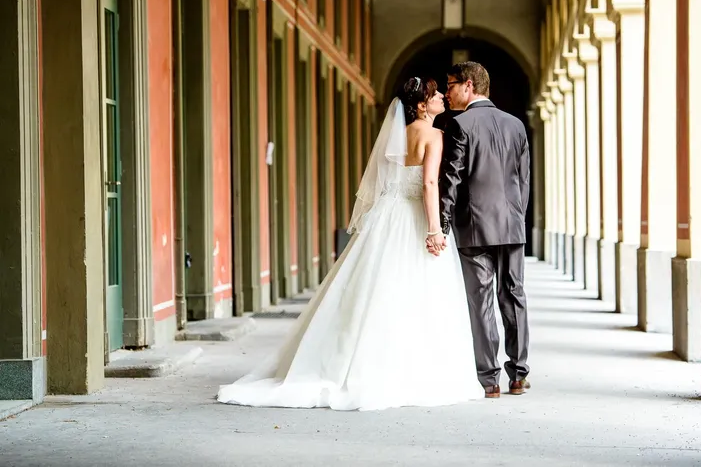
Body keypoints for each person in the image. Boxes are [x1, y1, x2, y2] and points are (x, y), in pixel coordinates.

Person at [217, 77, 484, 411]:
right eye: (435, 95)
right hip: (415, 217)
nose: (443, 96)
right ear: (420, 105)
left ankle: (351, 361)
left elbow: (388, 182)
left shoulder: (397, 137)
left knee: (375, 288)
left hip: (387, 217)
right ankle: (409, 369)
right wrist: (434, 229)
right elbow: (430, 183)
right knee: (418, 291)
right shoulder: (434, 136)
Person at [427, 61, 532, 399]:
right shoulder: (516, 125)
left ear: (469, 85)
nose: (447, 91)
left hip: (474, 227)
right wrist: (517, 216)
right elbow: (524, 179)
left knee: (482, 300)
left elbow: (452, 180)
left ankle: (489, 379)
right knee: (514, 295)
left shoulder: (460, 125)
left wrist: (440, 225)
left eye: (451, 84)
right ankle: (519, 373)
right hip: (512, 225)